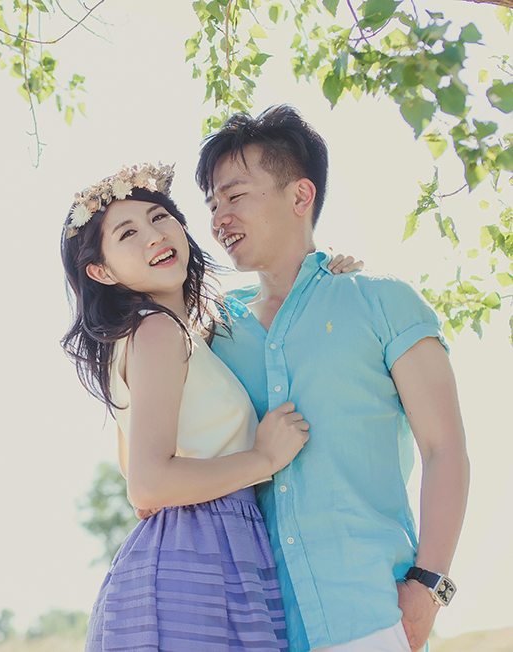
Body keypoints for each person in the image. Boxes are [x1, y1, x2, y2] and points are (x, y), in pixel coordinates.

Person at [196, 105, 470, 652]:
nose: (219, 217)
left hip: (370, 615)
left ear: (301, 196)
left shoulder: (382, 301)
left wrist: (429, 586)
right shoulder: (211, 333)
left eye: (235, 195)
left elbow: (446, 450)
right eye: (212, 204)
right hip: (253, 626)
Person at [60, 163, 361, 652]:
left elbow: (139, 481)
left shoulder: (162, 335)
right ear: (102, 271)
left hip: (198, 549)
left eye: (159, 217)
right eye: (127, 233)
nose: (154, 235)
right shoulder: (156, 331)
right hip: (197, 557)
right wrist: (264, 458)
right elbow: (148, 485)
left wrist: (320, 278)